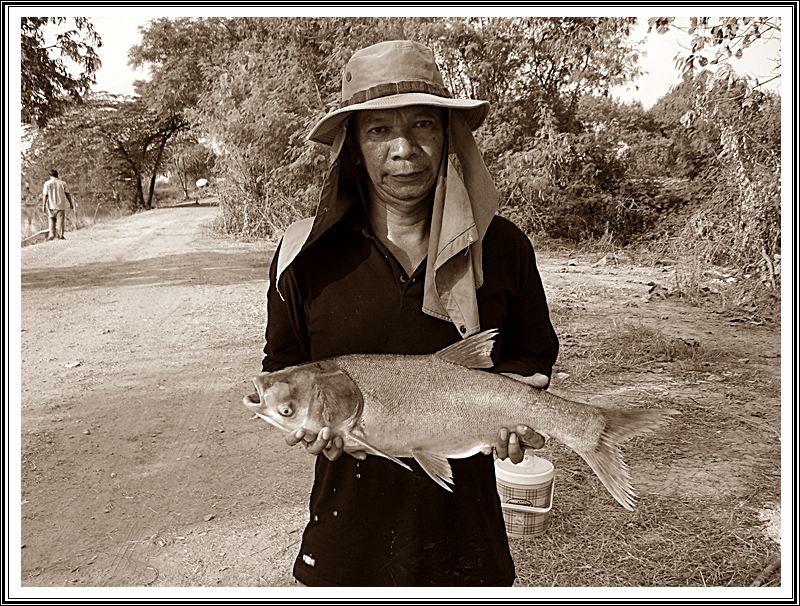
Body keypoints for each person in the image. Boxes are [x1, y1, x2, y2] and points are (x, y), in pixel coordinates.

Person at [261, 40, 559, 587]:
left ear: (449, 136)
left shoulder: (503, 246)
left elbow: (533, 355)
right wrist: (302, 424)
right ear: (351, 146)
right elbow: (283, 365)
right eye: (378, 130)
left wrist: (521, 408)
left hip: (468, 543)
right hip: (344, 545)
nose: (404, 149)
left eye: (423, 124)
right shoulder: (301, 255)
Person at [42, 169, 74, 240]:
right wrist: (71, 203)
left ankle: (52, 235)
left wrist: (43, 205)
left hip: (51, 205)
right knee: (60, 220)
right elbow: (67, 194)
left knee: (51, 219)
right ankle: (60, 236)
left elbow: (45, 195)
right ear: (57, 175)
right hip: (61, 205)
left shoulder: (47, 183)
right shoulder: (63, 183)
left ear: (50, 176)